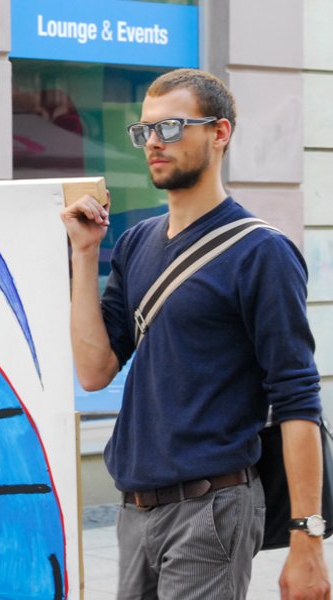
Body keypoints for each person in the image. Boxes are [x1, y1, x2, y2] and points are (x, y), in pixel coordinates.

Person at [60, 68, 330, 599]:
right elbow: (93, 371)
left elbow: (298, 398)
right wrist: (85, 254)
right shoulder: (136, 242)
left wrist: (308, 540)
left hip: (212, 508)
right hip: (136, 508)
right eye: (144, 130)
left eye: (171, 127)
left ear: (219, 132)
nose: (153, 143)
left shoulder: (262, 252)